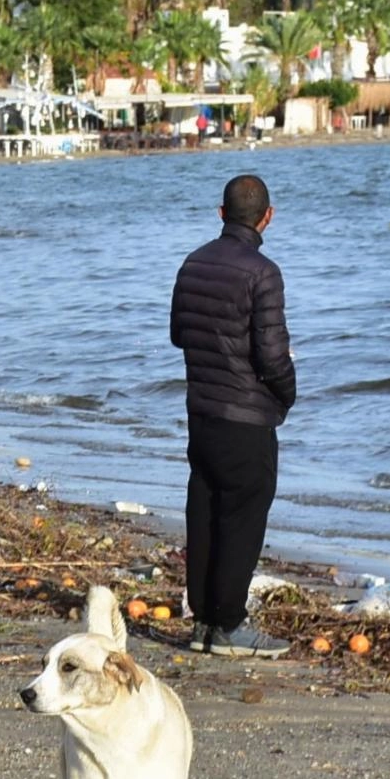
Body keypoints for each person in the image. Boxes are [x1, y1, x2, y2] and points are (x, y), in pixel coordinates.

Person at [169, 174, 295, 658]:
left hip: (202, 410)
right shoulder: (263, 273)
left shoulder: (193, 262)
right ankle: (229, 624)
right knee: (242, 516)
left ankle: (204, 620)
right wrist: (287, 395)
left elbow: (179, 334)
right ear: (268, 217)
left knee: (204, 511)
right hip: (246, 416)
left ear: (222, 214)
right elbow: (273, 357)